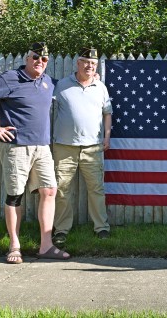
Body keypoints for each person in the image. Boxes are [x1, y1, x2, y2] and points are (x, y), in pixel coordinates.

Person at [0, 42, 70, 263]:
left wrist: (93, 80)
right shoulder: (10, 78)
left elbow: (71, 86)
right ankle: (14, 246)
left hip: (42, 148)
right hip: (17, 148)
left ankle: (46, 246)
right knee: (15, 195)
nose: (39, 62)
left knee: (50, 191)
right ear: (27, 58)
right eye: (35, 57)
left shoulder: (48, 82)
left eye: (44, 59)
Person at [52, 47, 112, 243]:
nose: (89, 66)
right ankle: (61, 230)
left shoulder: (101, 87)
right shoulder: (61, 85)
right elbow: (46, 109)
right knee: (62, 189)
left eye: (93, 63)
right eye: (86, 62)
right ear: (78, 63)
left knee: (96, 188)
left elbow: (107, 113)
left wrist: (107, 136)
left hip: (93, 147)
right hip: (64, 147)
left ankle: (101, 227)